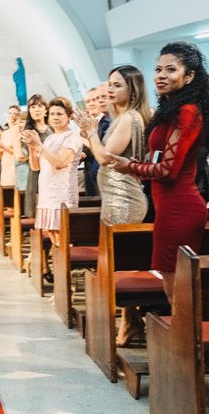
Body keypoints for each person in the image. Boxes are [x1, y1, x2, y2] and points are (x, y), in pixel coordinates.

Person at [108, 41, 209, 306]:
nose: (161, 75)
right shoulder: (172, 109)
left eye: (171, 70)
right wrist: (137, 167)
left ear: (189, 76)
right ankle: (185, 340)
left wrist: (128, 166)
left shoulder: (187, 112)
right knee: (172, 282)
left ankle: (187, 343)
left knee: (178, 286)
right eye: (158, 69)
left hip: (180, 208)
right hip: (168, 206)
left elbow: (167, 170)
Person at [73, 66, 152, 346]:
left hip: (124, 200)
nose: (110, 90)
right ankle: (131, 323)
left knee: (121, 264)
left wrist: (90, 132)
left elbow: (106, 158)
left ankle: (130, 324)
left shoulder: (129, 118)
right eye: (110, 84)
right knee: (122, 262)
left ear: (133, 89)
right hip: (115, 197)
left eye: (117, 85)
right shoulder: (124, 118)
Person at [22, 97, 82, 247]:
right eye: (52, 114)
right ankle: (59, 269)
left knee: (63, 236)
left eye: (59, 114)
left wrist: (39, 145)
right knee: (51, 233)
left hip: (62, 193)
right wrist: (31, 146)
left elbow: (60, 163)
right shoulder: (50, 138)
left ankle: (66, 267)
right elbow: (36, 167)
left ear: (69, 116)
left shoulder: (72, 136)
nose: (55, 117)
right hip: (47, 192)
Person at [21, 94, 51, 218]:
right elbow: (34, 164)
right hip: (38, 175)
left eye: (40, 106)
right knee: (40, 215)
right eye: (32, 107)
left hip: (56, 173)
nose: (36, 110)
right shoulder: (28, 132)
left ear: (46, 109)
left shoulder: (54, 128)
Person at [0, 105, 21, 186]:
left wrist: (4, 146)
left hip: (15, 166)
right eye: (10, 113)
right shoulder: (5, 133)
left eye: (15, 114)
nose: (12, 116)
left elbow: (19, 153)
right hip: (5, 166)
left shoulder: (19, 131)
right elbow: (0, 155)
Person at [82, 87, 100, 196]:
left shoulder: (107, 122)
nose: (91, 104)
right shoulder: (86, 124)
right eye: (88, 101)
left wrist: (82, 139)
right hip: (89, 174)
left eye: (94, 100)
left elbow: (103, 150)